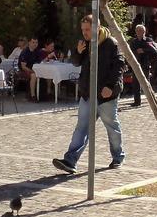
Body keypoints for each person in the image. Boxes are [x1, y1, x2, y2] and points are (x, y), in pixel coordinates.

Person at [52, 14, 125, 173]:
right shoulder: (84, 43)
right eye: (83, 30)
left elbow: (119, 66)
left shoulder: (111, 43)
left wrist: (110, 86)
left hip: (107, 95)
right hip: (88, 93)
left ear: (97, 27)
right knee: (81, 128)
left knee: (112, 127)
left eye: (87, 29)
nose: (84, 33)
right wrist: (77, 52)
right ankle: (70, 160)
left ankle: (118, 156)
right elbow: (76, 62)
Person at [126, 24, 157, 108]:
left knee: (146, 83)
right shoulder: (133, 41)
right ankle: (137, 101)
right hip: (136, 64)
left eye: (141, 31)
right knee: (135, 83)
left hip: (145, 64)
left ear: (144, 32)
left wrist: (143, 50)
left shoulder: (148, 40)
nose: (139, 32)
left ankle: (152, 100)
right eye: (137, 31)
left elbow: (155, 52)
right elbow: (130, 52)